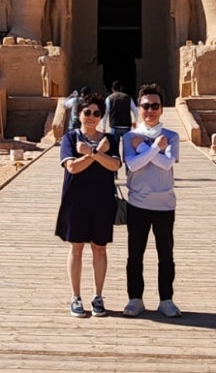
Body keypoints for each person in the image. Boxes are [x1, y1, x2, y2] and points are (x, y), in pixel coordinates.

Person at [55, 92, 121, 317]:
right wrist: (98, 154)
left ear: (101, 116)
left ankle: (97, 296)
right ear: (79, 113)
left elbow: (114, 166)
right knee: (76, 247)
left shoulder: (109, 140)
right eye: (87, 112)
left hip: (102, 200)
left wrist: (91, 152)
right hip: (76, 200)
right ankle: (75, 296)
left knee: (99, 248)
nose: (92, 116)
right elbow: (72, 167)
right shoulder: (70, 138)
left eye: (96, 113)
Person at [122, 83, 181, 317]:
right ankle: (135, 298)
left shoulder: (171, 136)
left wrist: (145, 149)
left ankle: (166, 299)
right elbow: (132, 164)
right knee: (135, 255)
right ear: (139, 108)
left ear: (162, 109)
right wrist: (156, 148)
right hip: (138, 204)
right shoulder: (129, 136)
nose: (150, 110)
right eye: (146, 106)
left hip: (164, 204)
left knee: (166, 255)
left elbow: (167, 164)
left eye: (155, 106)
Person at [103, 80, 138, 146]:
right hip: (126, 125)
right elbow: (135, 111)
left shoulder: (109, 98)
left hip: (114, 126)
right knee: (127, 147)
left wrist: (103, 127)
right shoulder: (128, 98)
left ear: (112, 88)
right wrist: (134, 121)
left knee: (114, 148)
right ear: (121, 88)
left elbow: (105, 114)